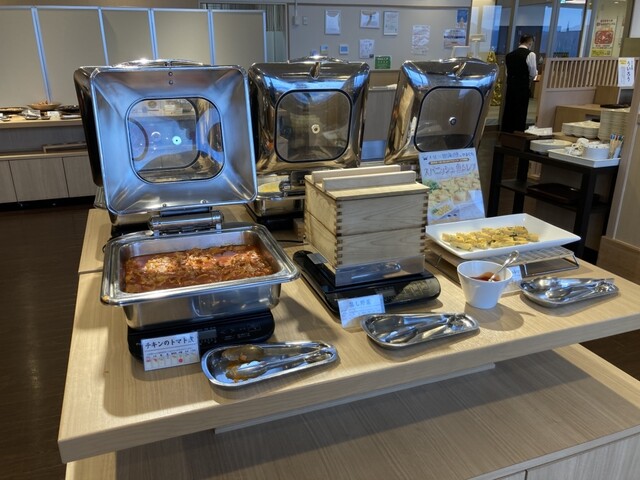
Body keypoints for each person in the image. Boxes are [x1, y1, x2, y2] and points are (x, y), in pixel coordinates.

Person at [501, 34, 538, 133]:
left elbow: (507, 72)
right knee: (520, 110)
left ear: (520, 42)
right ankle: (518, 132)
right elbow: (532, 72)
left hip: (511, 85)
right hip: (522, 85)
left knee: (509, 108)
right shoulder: (530, 54)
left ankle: (506, 132)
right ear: (530, 42)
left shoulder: (509, 55)